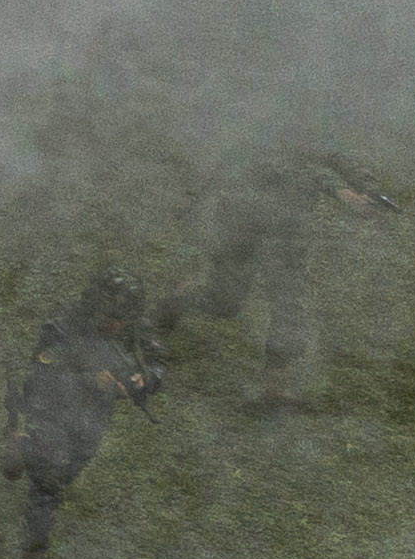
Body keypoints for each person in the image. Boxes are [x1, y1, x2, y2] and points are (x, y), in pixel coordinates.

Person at [155, 153, 391, 411]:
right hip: (241, 223)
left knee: (288, 305)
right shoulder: (269, 127)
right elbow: (235, 160)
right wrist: (193, 200)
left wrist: (367, 190)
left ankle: (274, 391)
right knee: (225, 301)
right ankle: (179, 300)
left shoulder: (321, 126)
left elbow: (339, 157)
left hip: (286, 231)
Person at [1, 270, 166, 559]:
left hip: (92, 417)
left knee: (64, 474)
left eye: (120, 319)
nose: (112, 324)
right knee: (47, 483)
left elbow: (158, 368)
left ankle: (22, 448)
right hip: (50, 406)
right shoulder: (63, 321)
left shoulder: (134, 328)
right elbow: (42, 373)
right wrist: (89, 380)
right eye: (107, 315)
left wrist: (138, 380)